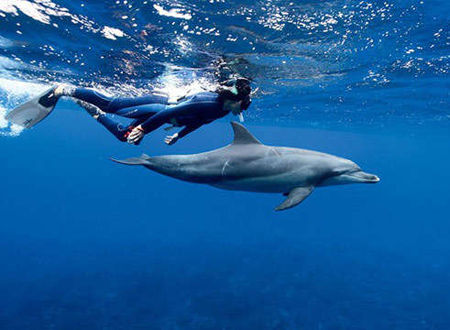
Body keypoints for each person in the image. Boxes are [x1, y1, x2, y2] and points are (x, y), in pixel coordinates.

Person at [48, 78, 252, 145]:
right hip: (159, 107)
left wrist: (179, 135)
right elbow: (165, 114)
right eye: (242, 104)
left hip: (164, 115)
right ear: (234, 100)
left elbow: (199, 122)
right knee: (112, 105)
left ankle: (90, 108)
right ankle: (66, 89)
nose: (242, 109)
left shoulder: (223, 111)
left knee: (126, 137)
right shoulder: (208, 103)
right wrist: (144, 129)